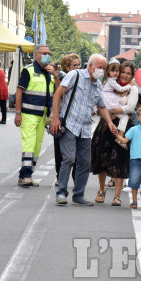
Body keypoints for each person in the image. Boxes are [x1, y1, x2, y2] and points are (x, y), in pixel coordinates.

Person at [51, 54, 116, 206]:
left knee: (85, 162)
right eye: (100, 68)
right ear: (91, 66)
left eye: (104, 68)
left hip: (85, 128)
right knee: (69, 158)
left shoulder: (98, 85)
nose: (102, 71)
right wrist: (55, 118)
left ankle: (78, 195)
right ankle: (61, 193)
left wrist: (109, 122)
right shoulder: (75, 75)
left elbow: (101, 106)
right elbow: (57, 94)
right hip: (69, 125)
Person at [91, 61, 137, 206]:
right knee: (102, 157)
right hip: (105, 125)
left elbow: (130, 108)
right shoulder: (108, 84)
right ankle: (101, 190)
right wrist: (105, 112)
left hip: (122, 128)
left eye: (128, 73)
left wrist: (111, 111)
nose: (124, 75)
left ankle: (117, 196)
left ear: (132, 75)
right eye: (122, 72)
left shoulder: (133, 89)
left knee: (119, 160)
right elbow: (97, 105)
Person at [14, 44, 60, 187]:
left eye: (49, 53)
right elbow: (19, 91)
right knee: (29, 142)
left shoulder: (49, 73)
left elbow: (59, 90)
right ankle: (26, 175)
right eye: (44, 53)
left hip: (42, 116)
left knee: (37, 145)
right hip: (28, 113)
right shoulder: (29, 71)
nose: (47, 55)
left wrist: (55, 75)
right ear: (36, 55)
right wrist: (18, 113)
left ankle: (27, 174)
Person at [54, 54, 81, 185]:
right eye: (74, 65)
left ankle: (76, 179)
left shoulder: (82, 78)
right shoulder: (60, 77)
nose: (78, 67)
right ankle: (60, 177)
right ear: (67, 67)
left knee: (77, 152)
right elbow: (58, 93)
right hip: (62, 119)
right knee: (60, 151)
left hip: (77, 120)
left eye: (79, 64)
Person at [102, 60, 132, 141]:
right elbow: (120, 89)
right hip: (109, 101)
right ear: (108, 71)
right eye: (113, 70)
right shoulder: (111, 80)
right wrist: (129, 86)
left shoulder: (107, 79)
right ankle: (120, 137)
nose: (115, 73)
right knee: (125, 117)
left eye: (117, 70)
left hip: (108, 101)